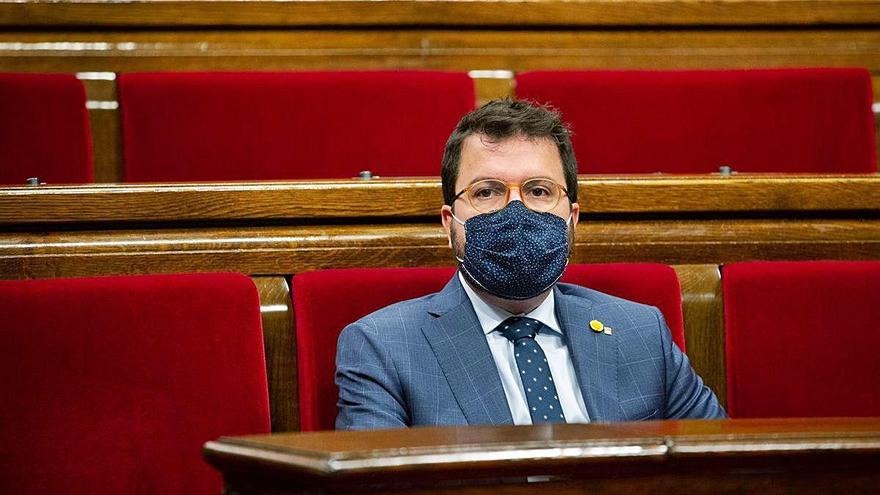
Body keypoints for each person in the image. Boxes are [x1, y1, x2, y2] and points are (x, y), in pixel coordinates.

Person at [336, 99, 725, 430]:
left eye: (539, 191)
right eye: (487, 191)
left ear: (572, 218)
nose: (516, 210)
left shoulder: (641, 333)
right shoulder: (383, 347)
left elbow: (723, 466)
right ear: (448, 221)